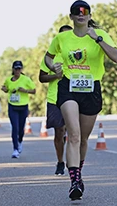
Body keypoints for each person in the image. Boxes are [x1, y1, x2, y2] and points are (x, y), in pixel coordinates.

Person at [44, 0, 117, 200]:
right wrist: (53, 68)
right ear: (71, 16)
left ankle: (78, 171)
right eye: (76, 12)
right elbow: (48, 57)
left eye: (84, 11)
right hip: (68, 87)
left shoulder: (101, 35)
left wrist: (97, 39)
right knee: (74, 135)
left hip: (91, 88)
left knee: (84, 139)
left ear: (89, 15)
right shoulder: (62, 37)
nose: (81, 14)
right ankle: (74, 181)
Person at [39, 24, 73, 176]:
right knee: (59, 132)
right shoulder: (51, 56)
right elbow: (41, 77)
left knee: (74, 132)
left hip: (74, 96)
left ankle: (74, 164)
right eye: (62, 36)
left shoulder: (77, 53)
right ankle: (60, 161)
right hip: (55, 98)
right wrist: (55, 76)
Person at [1, 60, 36, 158]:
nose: (17, 70)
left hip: (23, 106)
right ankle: (15, 149)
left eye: (19, 69)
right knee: (14, 128)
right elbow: (5, 87)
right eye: (16, 69)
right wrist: (5, 89)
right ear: (13, 69)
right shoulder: (9, 80)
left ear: (21, 69)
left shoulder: (26, 79)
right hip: (12, 106)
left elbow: (34, 90)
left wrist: (25, 90)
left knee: (21, 129)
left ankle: (20, 141)